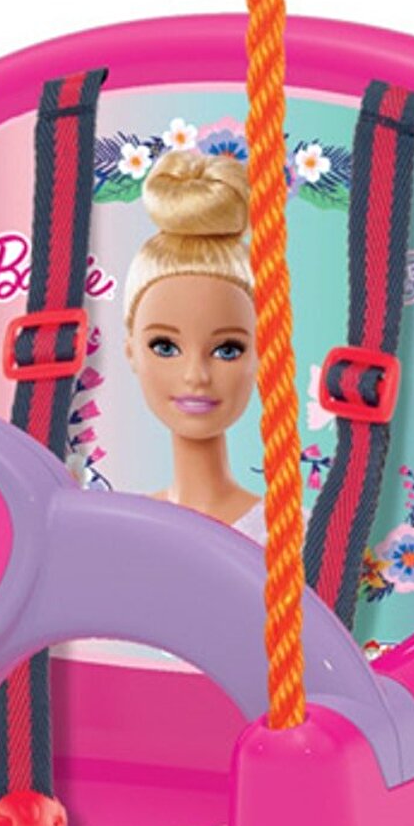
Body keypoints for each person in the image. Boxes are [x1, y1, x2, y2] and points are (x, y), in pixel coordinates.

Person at [123, 149, 266, 540]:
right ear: (131, 350)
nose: (195, 376)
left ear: (261, 353)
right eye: (165, 347)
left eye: (227, 350)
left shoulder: (293, 532)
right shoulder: (121, 529)